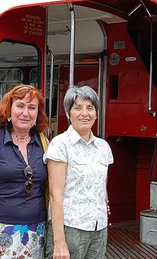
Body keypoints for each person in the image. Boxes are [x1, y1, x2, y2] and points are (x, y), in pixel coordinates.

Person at [0, 84, 50, 259]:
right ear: (9, 109)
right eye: (20, 106)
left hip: (35, 234)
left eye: (32, 108)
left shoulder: (44, 144)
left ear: (38, 114)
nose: (25, 113)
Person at [44, 86, 113, 259]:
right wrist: (59, 242)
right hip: (70, 229)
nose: (85, 113)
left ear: (96, 113)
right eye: (78, 108)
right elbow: (55, 195)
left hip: (99, 228)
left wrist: (103, 203)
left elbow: (102, 185)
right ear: (68, 113)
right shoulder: (60, 145)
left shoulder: (103, 147)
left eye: (90, 108)